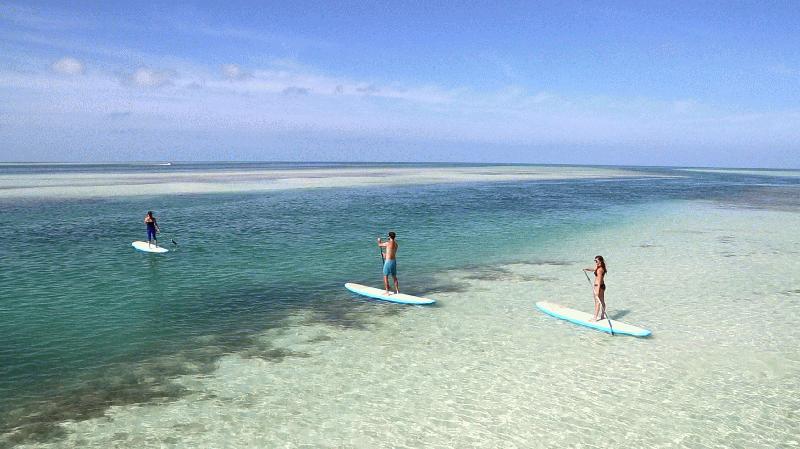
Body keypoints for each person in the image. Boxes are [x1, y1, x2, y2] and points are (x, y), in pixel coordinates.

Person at [583, 255, 607, 321]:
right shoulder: (600, 267)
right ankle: (602, 316)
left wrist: (597, 291)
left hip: (598, 286)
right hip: (602, 286)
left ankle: (595, 318)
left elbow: (599, 280)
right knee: (602, 301)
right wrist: (587, 269)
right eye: (595, 261)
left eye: (596, 261)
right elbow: (593, 269)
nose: (595, 262)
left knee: (597, 302)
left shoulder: (599, 270)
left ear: (600, 261)